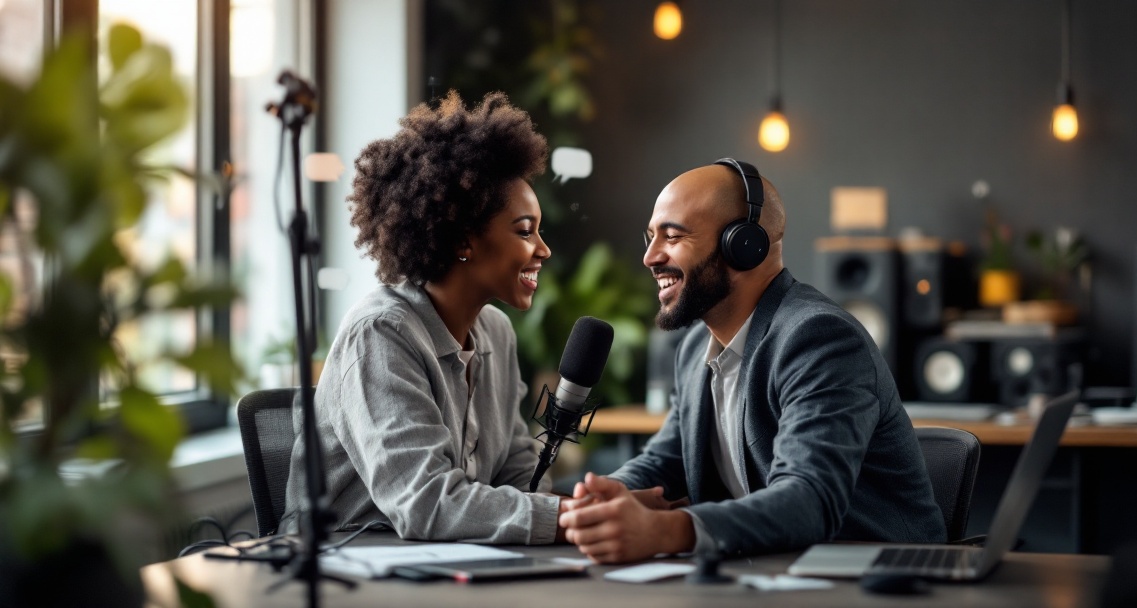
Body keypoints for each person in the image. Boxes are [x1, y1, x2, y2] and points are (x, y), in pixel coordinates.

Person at [559, 160, 946, 563]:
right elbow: (666, 462)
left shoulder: (819, 339)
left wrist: (665, 530)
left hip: (883, 579)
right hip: (772, 574)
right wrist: (609, 495)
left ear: (743, 246)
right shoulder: (695, 349)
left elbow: (808, 498)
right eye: (650, 237)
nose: (650, 257)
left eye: (672, 237)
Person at [279, 91, 562, 544]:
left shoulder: (497, 333)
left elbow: (518, 469)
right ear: (462, 241)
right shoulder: (382, 333)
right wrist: (564, 519)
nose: (543, 250)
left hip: (450, 567)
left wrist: (582, 512)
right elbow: (427, 503)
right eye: (525, 231)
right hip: (349, 573)